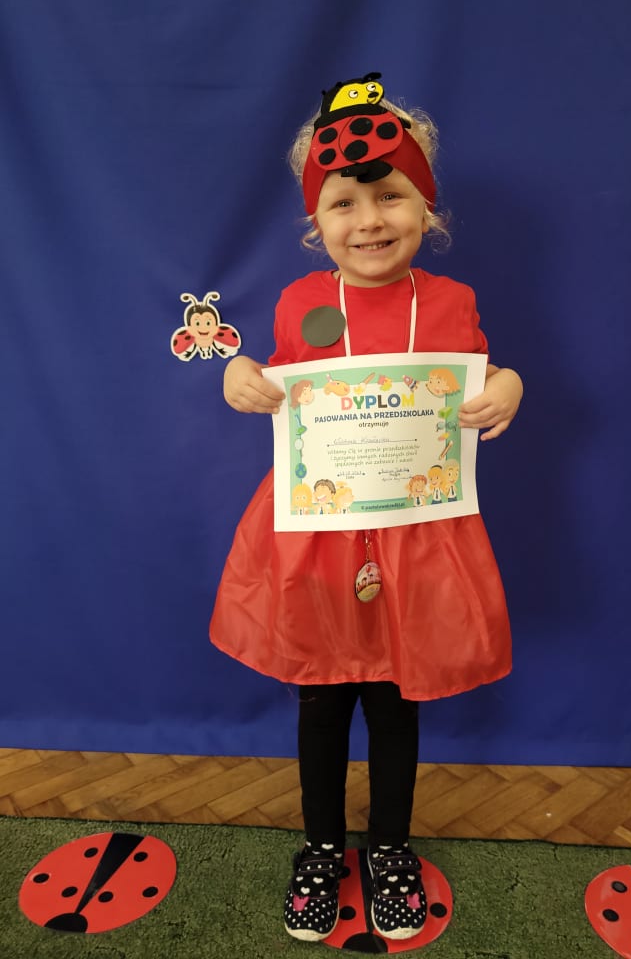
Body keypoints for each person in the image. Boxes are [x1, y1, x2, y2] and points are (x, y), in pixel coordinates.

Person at [210, 73, 523, 943]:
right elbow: (277, 384)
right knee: (320, 698)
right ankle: (320, 846)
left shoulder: (451, 304)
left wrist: (509, 384)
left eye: (391, 196)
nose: (370, 220)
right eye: (344, 203)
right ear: (317, 223)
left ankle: (389, 847)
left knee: (394, 701)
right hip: (319, 538)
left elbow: (481, 375)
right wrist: (239, 375)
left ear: (427, 209)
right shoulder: (301, 302)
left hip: (417, 538)